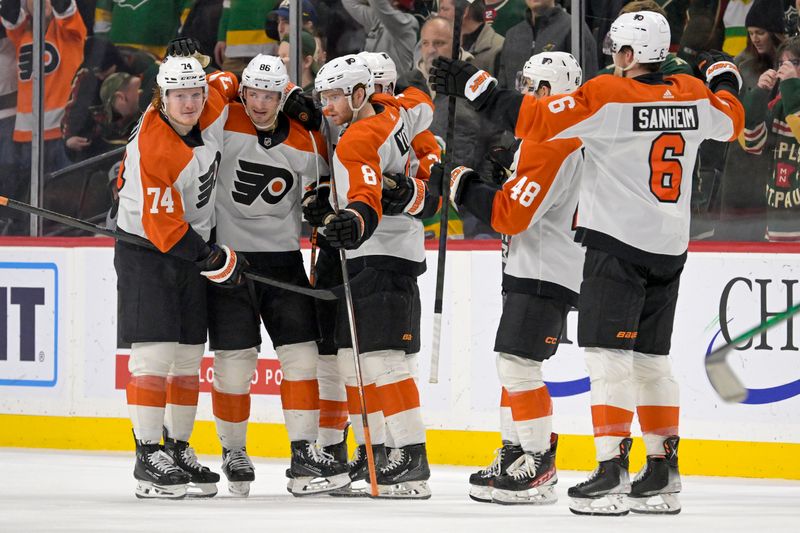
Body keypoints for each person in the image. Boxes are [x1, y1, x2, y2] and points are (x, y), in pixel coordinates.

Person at [430, 10, 744, 515]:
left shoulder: (609, 96)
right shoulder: (692, 93)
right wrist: (723, 76)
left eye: (616, 53)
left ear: (626, 55)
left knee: (607, 360)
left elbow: (534, 118)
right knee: (651, 362)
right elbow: (732, 119)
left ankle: (612, 469)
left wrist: (475, 84)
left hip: (616, 247)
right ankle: (662, 468)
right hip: (670, 249)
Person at [437, 51, 583, 505]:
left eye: (527, 86)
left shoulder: (552, 138)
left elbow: (511, 214)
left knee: (518, 365)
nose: (520, 95)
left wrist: (462, 183)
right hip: (536, 264)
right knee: (513, 366)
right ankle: (516, 450)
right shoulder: (558, 134)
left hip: (543, 268)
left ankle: (538, 462)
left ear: (545, 92)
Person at [210, 53, 350, 497]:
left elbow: (333, 170)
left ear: (282, 95)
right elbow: (199, 98)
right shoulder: (224, 118)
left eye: (270, 95)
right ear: (245, 91)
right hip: (230, 262)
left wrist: (323, 199)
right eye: (253, 92)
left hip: (284, 260)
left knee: (303, 358)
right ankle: (233, 450)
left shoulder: (305, 140)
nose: (260, 103)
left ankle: (304, 451)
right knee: (235, 365)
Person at [115, 40, 243, 499]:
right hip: (148, 250)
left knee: (189, 355)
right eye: (179, 96)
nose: (190, 103)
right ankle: (148, 455)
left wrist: (291, 96)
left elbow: (234, 80)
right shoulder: (157, 144)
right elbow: (164, 226)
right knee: (154, 353)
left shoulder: (211, 96)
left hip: (189, 245)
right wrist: (213, 257)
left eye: (195, 93)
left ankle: (178, 446)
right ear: (161, 99)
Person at [308, 53, 438, 498]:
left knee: (382, 361)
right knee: (364, 360)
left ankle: (410, 457)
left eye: (333, 97)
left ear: (360, 94)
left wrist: (355, 222)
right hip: (395, 251)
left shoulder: (356, 138)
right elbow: (422, 103)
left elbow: (365, 194)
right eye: (321, 95)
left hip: (379, 253)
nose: (325, 106)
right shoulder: (395, 109)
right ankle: (384, 452)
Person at [742, 35, 800, 240]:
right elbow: (751, 142)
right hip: (776, 227)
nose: (786, 69)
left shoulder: (790, 100)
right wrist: (759, 94)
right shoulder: (778, 105)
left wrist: (793, 88)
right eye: (782, 63)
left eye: (794, 63)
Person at [341, 0, 419, 73]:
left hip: (394, 85)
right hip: (371, 80)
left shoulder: (407, 24)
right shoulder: (379, 19)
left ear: (396, 2)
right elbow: (350, 3)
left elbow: (378, 4)